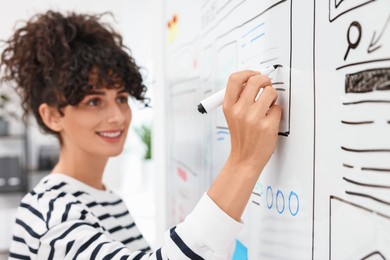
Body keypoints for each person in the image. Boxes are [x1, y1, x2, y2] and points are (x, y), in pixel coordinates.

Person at [0, 10, 282, 259]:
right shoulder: (52, 215)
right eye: (94, 102)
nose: (117, 116)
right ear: (52, 115)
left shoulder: (103, 198)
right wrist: (244, 159)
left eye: (121, 98)